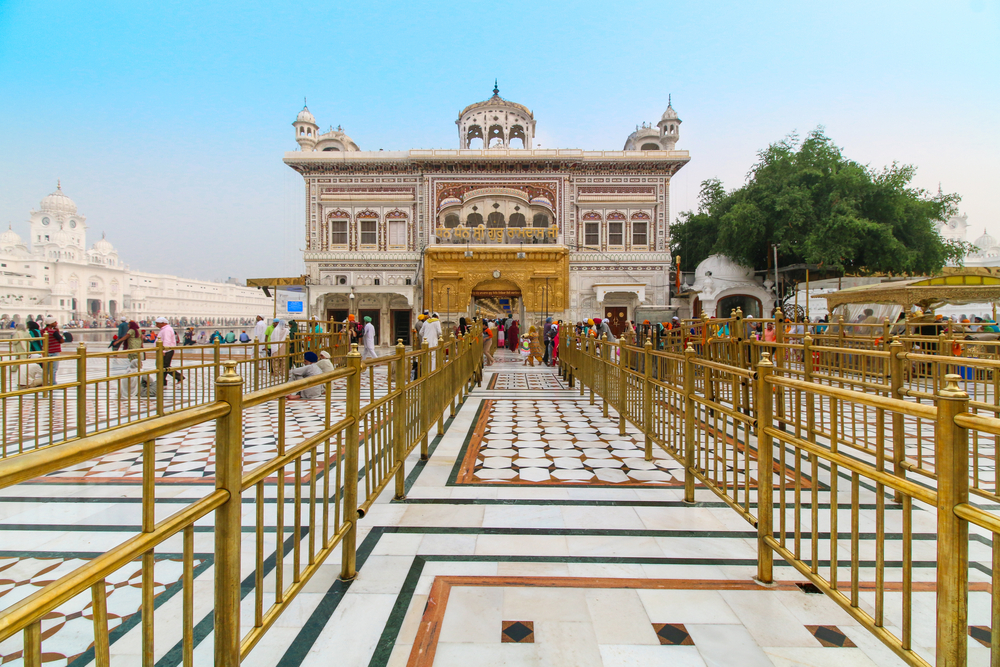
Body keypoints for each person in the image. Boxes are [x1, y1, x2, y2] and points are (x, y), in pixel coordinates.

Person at [155, 317, 184, 382]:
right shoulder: (165, 329)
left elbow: (167, 341)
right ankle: (162, 381)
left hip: (167, 351)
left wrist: (164, 350)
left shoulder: (167, 330)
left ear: (163, 323)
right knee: (163, 366)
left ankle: (178, 377)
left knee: (164, 366)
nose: (156, 325)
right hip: (166, 350)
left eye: (157, 324)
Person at [42, 316, 63, 385]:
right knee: (54, 369)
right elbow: (61, 340)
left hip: (46, 351)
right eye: (54, 322)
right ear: (51, 323)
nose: (56, 323)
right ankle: (53, 382)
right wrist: (58, 332)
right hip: (54, 351)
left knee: (47, 369)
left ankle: (46, 381)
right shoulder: (53, 332)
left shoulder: (42, 331)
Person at [10, 323, 31, 387]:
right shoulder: (26, 332)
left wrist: (12, 338)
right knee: (23, 359)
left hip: (20, 348)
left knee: (19, 359)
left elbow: (15, 341)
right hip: (26, 347)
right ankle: (17, 369)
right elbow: (31, 339)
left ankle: (20, 371)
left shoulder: (17, 333)